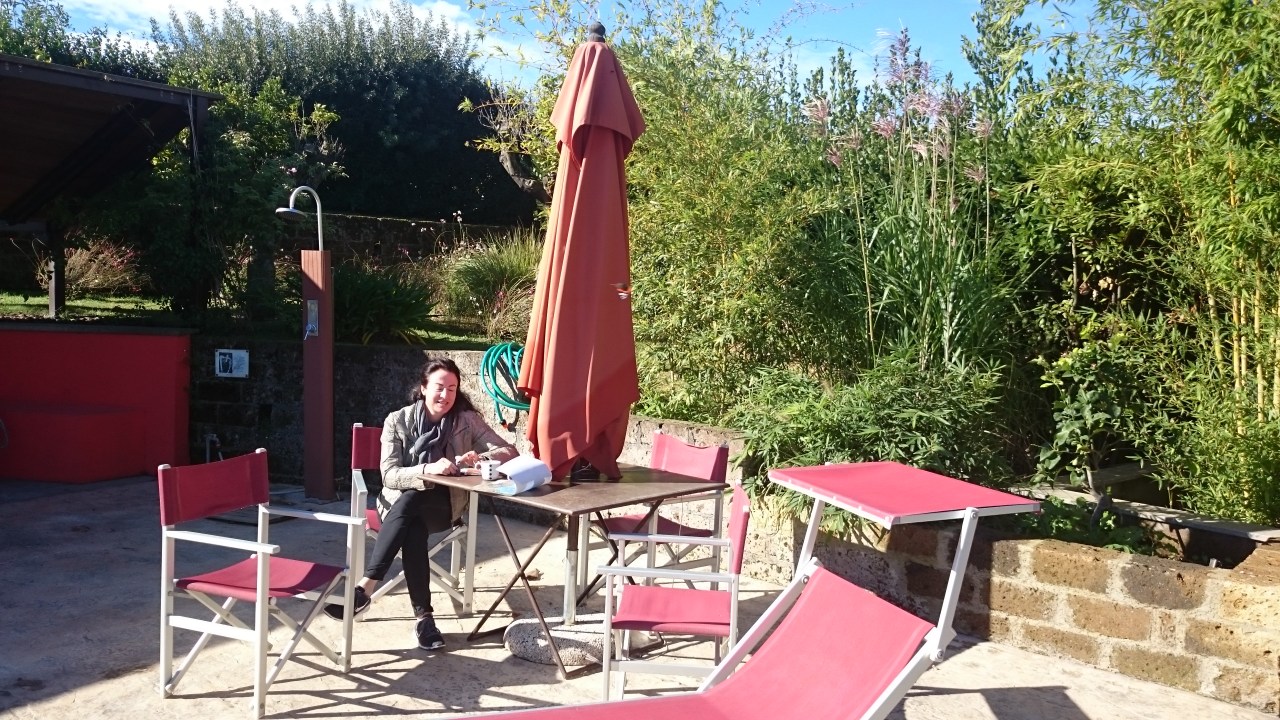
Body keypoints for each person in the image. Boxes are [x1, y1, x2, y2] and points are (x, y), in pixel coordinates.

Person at [325, 358, 517, 650]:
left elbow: (509, 451)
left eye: (452, 388)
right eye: (439, 387)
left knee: (413, 509)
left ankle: (365, 588)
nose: (446, 395)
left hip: (444, 506)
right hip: (396, 506)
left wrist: (480, 458)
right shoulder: (397, 421)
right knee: (412, 521)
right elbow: (389, 475)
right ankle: (424, 619)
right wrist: (427, 469)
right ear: (424, 388)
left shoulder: (466, 421)